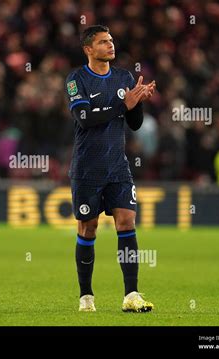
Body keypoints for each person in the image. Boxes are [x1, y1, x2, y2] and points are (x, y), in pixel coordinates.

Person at [65, 25, 155, 312]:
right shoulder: (76, 79)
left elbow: (135, 123)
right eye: (103, 42)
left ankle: (132, 294)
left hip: (118, 168)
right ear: (89, 49)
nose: (110, 45)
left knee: (127, 223)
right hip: (87, 169)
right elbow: (84, 118)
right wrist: (122, 104)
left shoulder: (123, 77)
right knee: (88, 228)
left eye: (111, 40)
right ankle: (86, 296)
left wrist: (137, 103)